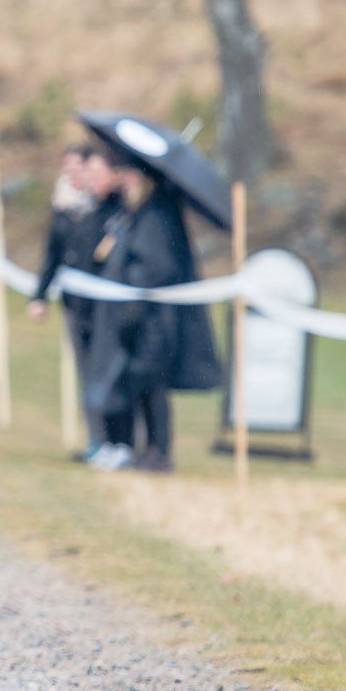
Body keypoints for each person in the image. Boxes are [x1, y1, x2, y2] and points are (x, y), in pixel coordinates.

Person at [83, 156, 221, 473]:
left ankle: (159, 452)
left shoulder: (157, 216)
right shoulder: (137, 213)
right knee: (139, 385)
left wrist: (134, 299)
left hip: (155, 319)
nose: (125, 182)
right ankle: (144, 449)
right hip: (136, 317)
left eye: (131, 176)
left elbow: (156, 266)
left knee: (153, 387)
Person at [27, 145, 99, 456]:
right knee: (85, 373)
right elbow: (52, 255)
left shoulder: (102, 207)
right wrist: (39, 295)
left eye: (76, 166)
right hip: (73, 304)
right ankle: (95, 437)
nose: (70, 173)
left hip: (103, 305)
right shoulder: (63, 208)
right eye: (65, 166)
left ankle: (113, 439)